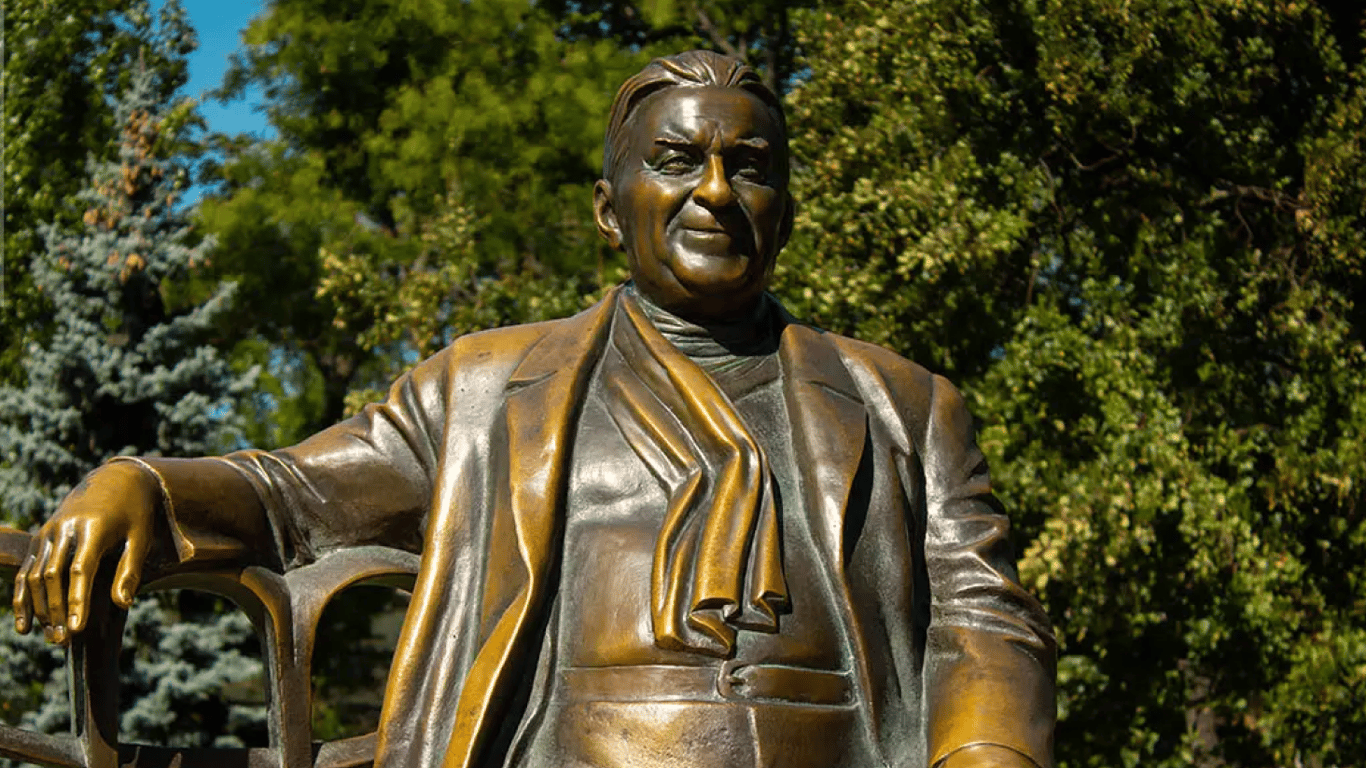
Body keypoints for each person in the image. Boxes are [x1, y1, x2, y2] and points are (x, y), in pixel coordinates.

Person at [12, 51, 1056, 768]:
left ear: (783, 212)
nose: (715, 192)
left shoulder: (903, 404)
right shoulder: (485, 389)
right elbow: (295, 498)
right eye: (677, 161)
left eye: (750, 169)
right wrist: (143, 486)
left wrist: (985, 754)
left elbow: (985, 617)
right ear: (609, 210)